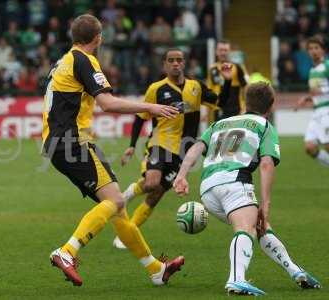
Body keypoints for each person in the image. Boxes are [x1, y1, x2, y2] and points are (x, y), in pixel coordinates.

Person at [42, 14, 184, 287]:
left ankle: (157, 270)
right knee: (117, 201)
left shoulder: (62, 62)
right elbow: (107, 103)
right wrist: (150, 107)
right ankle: (67, 251)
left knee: (117, 209)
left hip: (58, 142)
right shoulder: (84, 60)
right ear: (98, 38)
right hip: (73, 141)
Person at [173, 82, 321, 295]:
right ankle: (236, 279)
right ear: (270, 106)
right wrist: (266, 201)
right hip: (234, 181)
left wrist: (182, 175)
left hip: (207, 188)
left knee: (260, 225)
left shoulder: (220, 123)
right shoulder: (264, 125)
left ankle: (295, 271)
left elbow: (196, 147)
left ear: (245, 101)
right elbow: (267, 163)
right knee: (246, 227)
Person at [112, 49, 232, 249]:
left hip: (183, 152)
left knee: (157, 193)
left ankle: (128, 232)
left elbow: (221, 102)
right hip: (161, 142)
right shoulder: (156, 89)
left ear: (184, 63)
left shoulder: (196, 87)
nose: (175, 63)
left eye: (179, 60)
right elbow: (140, 116)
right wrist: (132, 146)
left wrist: (227, 82)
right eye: (171, 61)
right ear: (165, 65)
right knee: (151, 182)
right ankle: (125, 197)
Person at [296, 36, 329, 167]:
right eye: (310, 48)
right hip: (317, 112)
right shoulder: (312, 71)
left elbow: (322, 90)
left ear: (323, 50)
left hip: (327, 110)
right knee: (309, 147)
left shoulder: (327, 66)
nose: (313, 51)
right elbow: (316, 92)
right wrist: (307, 98)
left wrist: (324, 90)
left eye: (316, 48)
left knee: (327, 146)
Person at [207, 39, 248, 121]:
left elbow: (245, 87)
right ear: (216, 52)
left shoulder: (237, 67)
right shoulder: (212, 69)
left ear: (230, 52)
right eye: (220, 50)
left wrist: (246, 107)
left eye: (225, 50)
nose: (223, 53)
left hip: (236, 110)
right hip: (218, 110)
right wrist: (208, 111)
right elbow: (210, 90)